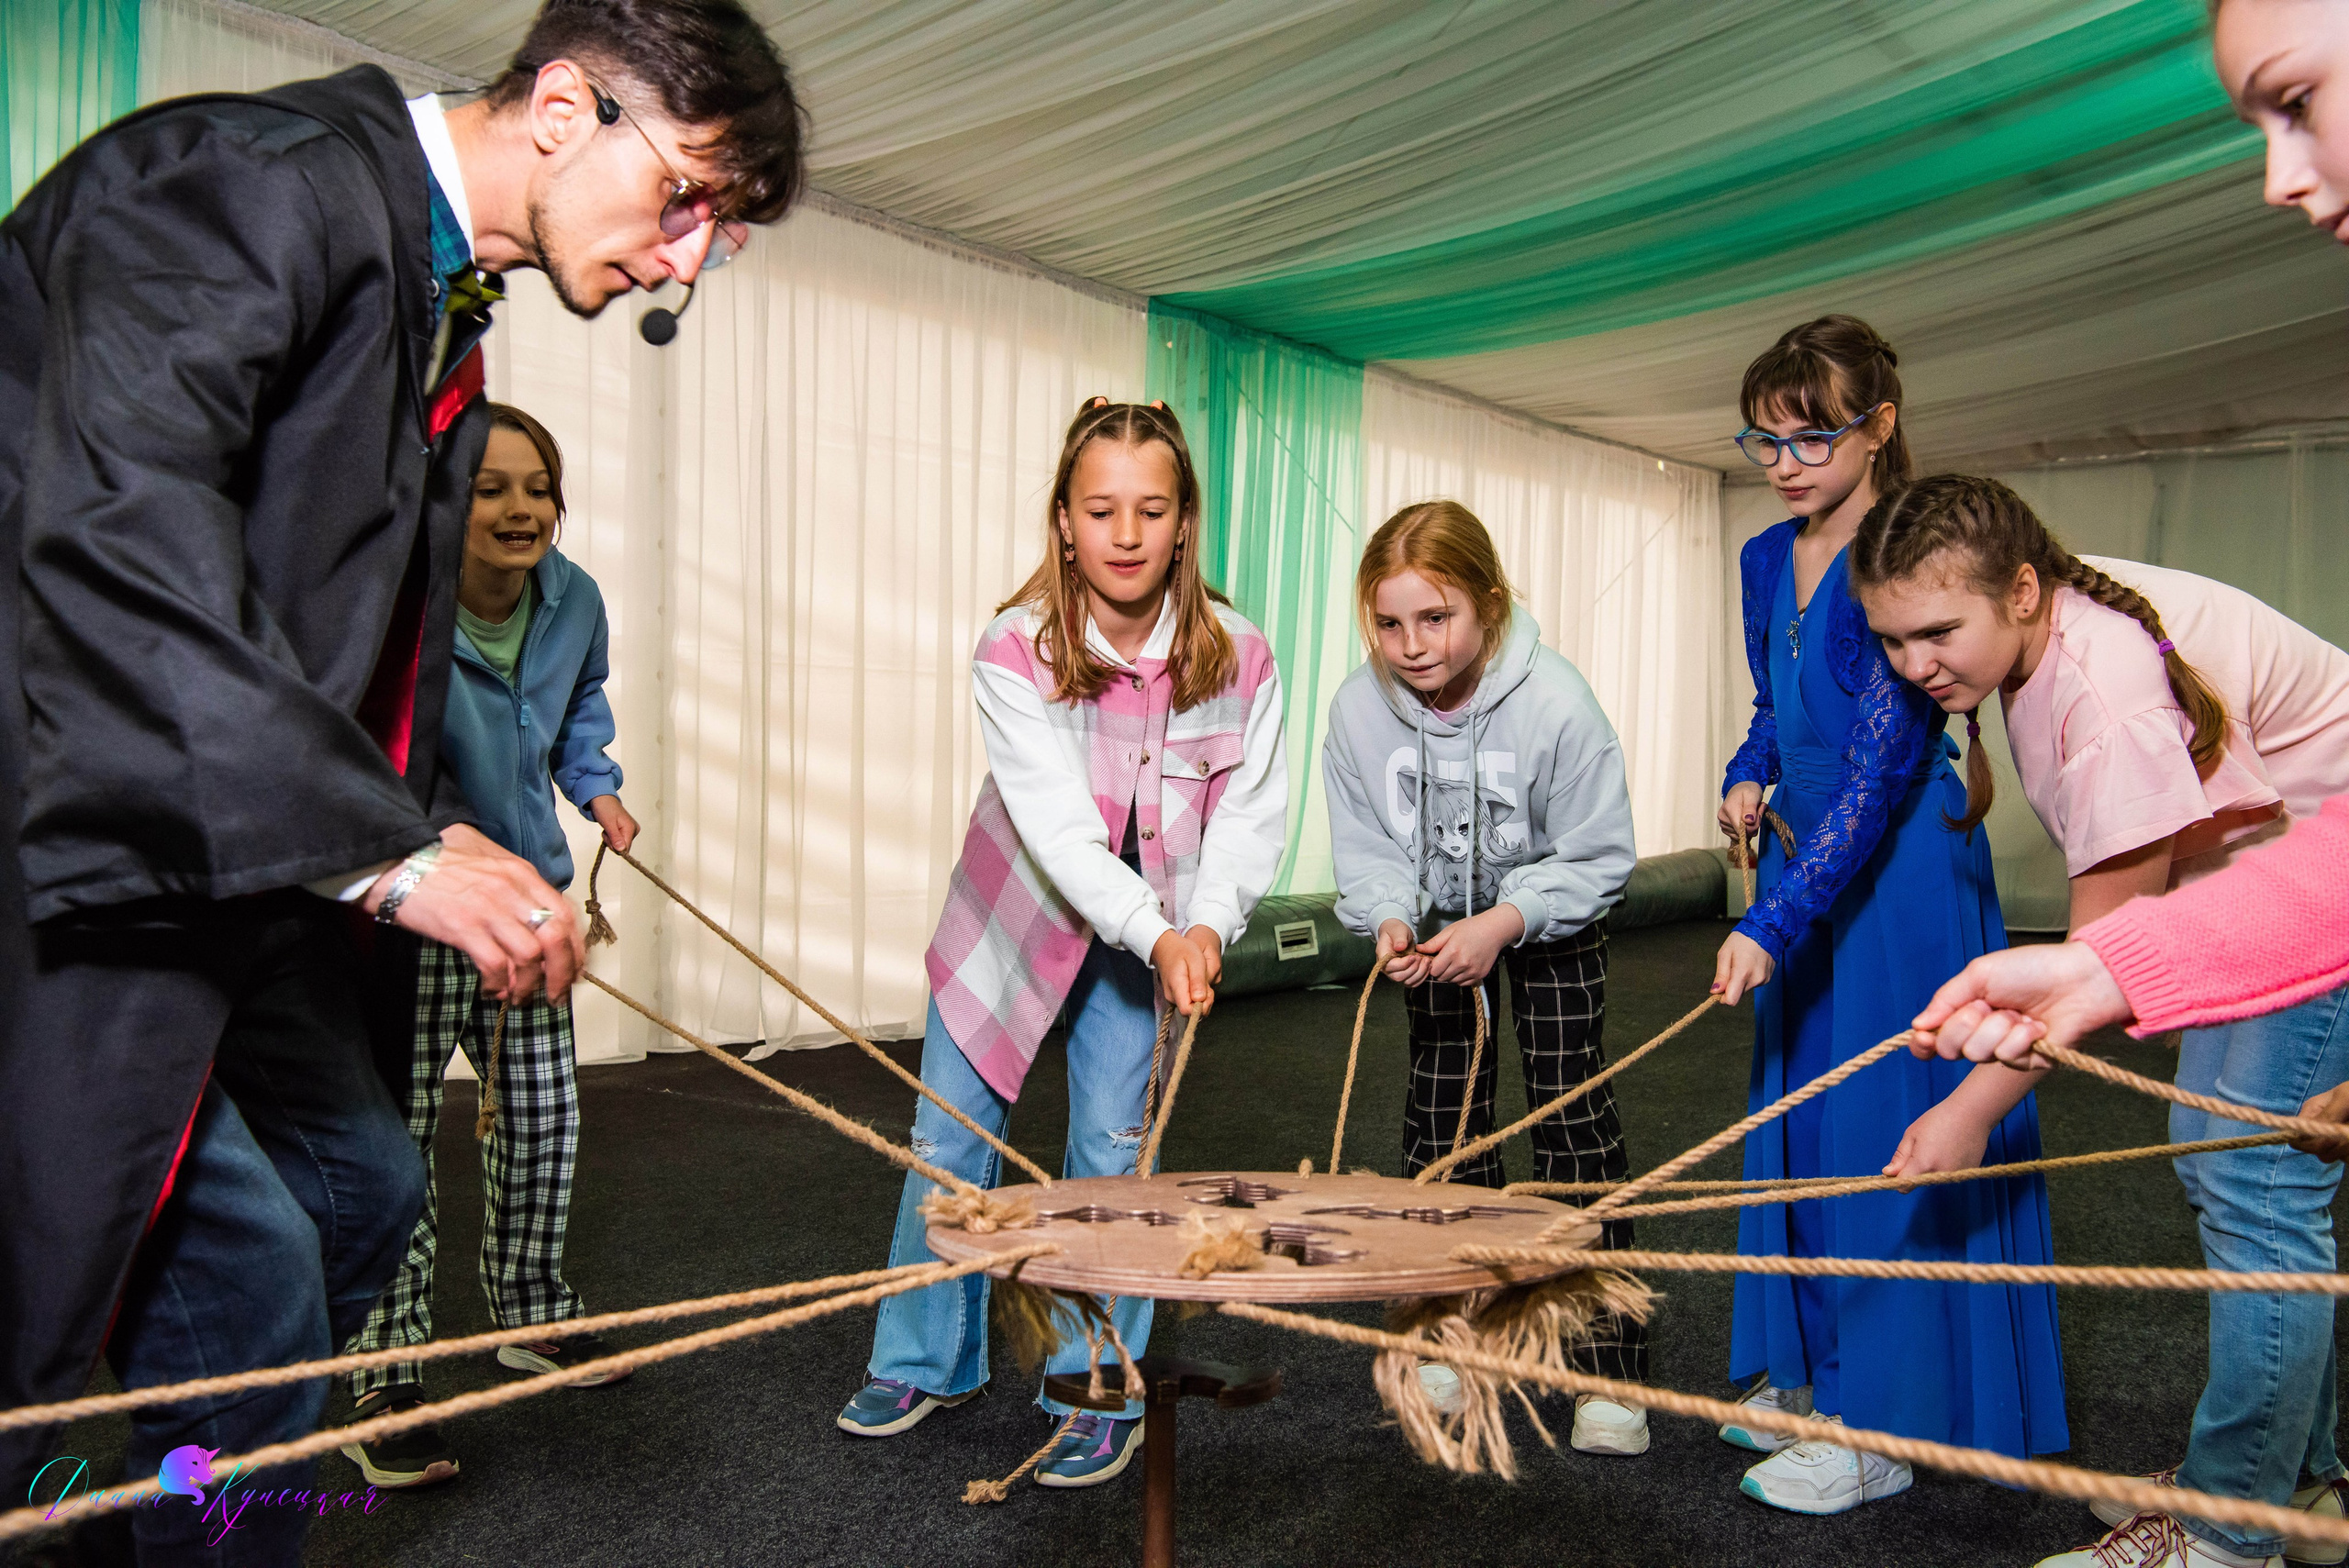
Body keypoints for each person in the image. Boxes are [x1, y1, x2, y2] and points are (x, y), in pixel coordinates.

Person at [0, 2, 804, 1559]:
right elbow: (117, 558)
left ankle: (148, 1490)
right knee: (249, 1286)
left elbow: (335, 642)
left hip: (244, 855)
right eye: (690, 200)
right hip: (79, 843)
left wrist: (421, 820)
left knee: (365, 1188)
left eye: (723, 234)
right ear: (568, 109)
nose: (685, 258)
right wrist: (391, 856)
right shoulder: (251, 182)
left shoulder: (444, 306)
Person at [1854, 471, 2349, 1568]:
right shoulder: (2049, 631)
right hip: (2277, 879)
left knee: (2248, 1177)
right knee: (2242, 1163)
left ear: (2021, 590)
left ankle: (2230, 1528)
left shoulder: (2100, 692)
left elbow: (2090, 962)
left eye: (1936, 631)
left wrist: (1967, 1115)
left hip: (2320, 884)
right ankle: (2291, 1479)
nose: (1913, 663)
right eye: (1890, 639)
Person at [835, 400, 1286, 1490]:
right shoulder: (1013, 649)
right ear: (1063, 521)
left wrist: (1208, 925)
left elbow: (1249, 818)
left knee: (1112, 1157)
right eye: (1100, 508)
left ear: (1184, 525)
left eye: (1151, 508)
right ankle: (924, 1356)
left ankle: (1095, 1378)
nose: (1125, 532)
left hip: (1154, 948)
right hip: (1007, 932)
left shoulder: (1243, 656)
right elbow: (1060, 831)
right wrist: (1164, 927)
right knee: (948, 1142)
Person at [1710, 317, 2067, 1518]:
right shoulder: (1766, 553)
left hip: (1894, 882)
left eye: (1812, 434)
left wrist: (1773, 920)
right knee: (1808, 1138)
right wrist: (1747, 768)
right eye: (1764, 437)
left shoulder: (1907, 557)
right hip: (1808, 875)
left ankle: (1891, 1420)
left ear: (1880, 425)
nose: (1785, 461)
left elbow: (1875, 769)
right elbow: (1777, 698)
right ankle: (1824, 1372)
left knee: (1884, 1130)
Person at [340, 405, 641, 1491]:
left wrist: (596, 789)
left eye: (538, 487)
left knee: (545, 1120)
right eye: (491, 488)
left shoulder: (579, 598)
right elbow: (368, 745)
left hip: (534, 908)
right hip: (427, 910)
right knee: (399, 1141)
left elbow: (578, 712)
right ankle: (389, 1367)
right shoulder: (396, 607)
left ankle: (533, 1316)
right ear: (445, 502)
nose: (520, 509)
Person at [1319, 499, 1645, 1457]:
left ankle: (1598, 1364)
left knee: (1570, 1127)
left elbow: (1600, 855)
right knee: (1443, 1130)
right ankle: (1459, 1333)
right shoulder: (1355, 709)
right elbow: (1367, 842)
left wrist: (1505, 920)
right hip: (1433, 934)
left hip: (1545, 928)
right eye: (1388, 622)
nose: (1412, 644)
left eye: (1437, 616)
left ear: (1489, 604)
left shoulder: (1556, 703)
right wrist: (1386, 914)